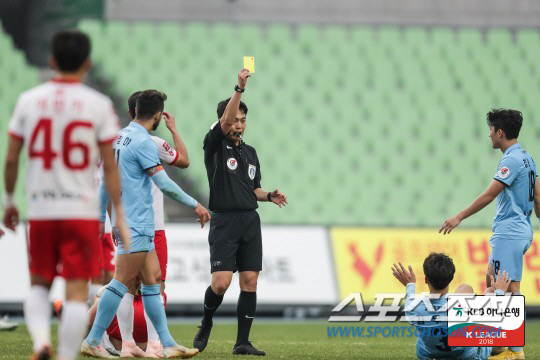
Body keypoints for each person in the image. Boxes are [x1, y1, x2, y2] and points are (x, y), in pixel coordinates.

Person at [2, 30, 129, 360]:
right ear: (87, 64)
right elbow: (111, 168)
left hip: (43, 208)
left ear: (52, 60)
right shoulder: (99, 105)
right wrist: (119, 214)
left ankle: (42, 341)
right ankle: (66, 356)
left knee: (39, 284)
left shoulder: (29, 100)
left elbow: (12, 156)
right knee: (75, 291)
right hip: (83, 211)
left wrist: (9, 201)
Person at [82, 89, 210, 359]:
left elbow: (106, 182)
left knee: (152, 282)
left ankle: (167, 343)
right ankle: (93, 339)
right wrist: (195, 204)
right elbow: (164, 183)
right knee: (120, 283)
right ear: (158, 116)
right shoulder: (144, 143)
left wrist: (102, 220)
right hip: (136, 223)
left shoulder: (118, 138)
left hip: (129, 223)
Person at [193, 69, 288, 356]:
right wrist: (240, 88)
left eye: (243, 120)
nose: (239, 124)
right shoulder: (214, 145)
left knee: (250, 281)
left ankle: (242, 343)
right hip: (224, 220)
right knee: (221, 283)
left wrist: (269, 196)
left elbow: (253, 189)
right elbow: (223, 122)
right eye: (235, 119)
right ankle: (206, 322)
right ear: (224, 121)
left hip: (249, 220)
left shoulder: (251, 153)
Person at [440, 109, 537, 359]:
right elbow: (537, 194)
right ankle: (499, 342)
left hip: (510, 232)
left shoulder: (511, 161)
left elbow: (490, 193)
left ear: (500, 132)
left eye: (491, 130)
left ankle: (514, 350)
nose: (489, 135)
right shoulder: (527, 157)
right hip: (520, 230)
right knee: (492, 280)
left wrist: (459, 216)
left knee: (508, 288)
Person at [110, 91, 191, 358]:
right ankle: (156, 344)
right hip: (150, 225)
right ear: (154, 115)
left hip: (121, 220)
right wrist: (174, 130)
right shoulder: (152, 142)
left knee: (125, 284)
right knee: (155, 284)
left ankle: (127, 343)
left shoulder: (117, 141)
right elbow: (183, 160)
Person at [392, 253, 512, 360]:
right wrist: (500, 292)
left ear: (426, 280)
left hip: (430, 354)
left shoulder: (414, 307)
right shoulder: (463, 306)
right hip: (466, 356)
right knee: (486, 294)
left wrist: (410, 285)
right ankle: (496, 346)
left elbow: (409, 301)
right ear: (451, 278)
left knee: (465, 291)